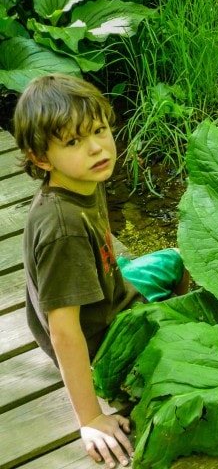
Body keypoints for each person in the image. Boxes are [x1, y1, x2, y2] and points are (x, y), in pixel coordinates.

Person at [13, 73, 189, 468]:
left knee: (178, 258)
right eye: (74, 142)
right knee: (203, 359)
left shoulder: (83, 177)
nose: (96, 148)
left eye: (99, 130)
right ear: (41, 158)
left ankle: (172, 312)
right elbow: (63, 331)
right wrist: (90, 418)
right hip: (104, 337)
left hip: (113, 287)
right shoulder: (63, 230)